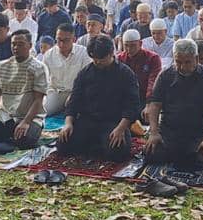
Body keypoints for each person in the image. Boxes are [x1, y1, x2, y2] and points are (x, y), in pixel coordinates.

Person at [56, 34, 141, 162]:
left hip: (114, 122)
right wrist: (68, 123)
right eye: (94, 58)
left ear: (111, 53)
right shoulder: (85, 73)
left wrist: (121, 128)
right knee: (62, 145)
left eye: (101, 58)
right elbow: (74, 101)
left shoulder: (125, 74)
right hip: (88, 120)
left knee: (118, 152)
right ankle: (95, 145)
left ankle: (95, 146)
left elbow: (132, 105)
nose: (98, 62)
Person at [143, 39, 203, 167]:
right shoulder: (165, 76)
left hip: (199, 133)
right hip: (170, 132)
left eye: (187, 62)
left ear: (196, 59)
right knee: (151, 154)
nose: (182, 67)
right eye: (178, 62)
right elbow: (155, 105)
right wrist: (154, 132)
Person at [0, 29, 48, 149]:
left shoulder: (39, 68)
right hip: (5, 116)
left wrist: (25, 122)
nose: (16, 47)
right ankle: (7, 139)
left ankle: (7, 140)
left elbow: (38, 100)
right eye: (13, 44)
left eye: (20, 44)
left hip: (30, 117)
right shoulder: (1, 66)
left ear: (30, 46)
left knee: (25, 141)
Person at [41, 23, 91, 116]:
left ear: (74, 39)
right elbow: (44, 80)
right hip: (56, 92)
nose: (61, 44)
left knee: (81, 115)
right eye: (59, 40)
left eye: (66, 40)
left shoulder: (83, 53)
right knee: (43, 112)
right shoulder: (48, 55)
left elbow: (88, 79)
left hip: (78, 93)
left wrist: (74, 95)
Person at [118, 29, 162, 101]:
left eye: (133, 46)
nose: (129, 49)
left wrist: (149, 101)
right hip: (124, 98)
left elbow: (153, 81)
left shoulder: (153, 58)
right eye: (126, 46)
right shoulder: (119, 59)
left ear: (140, 43)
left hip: (144, 97)